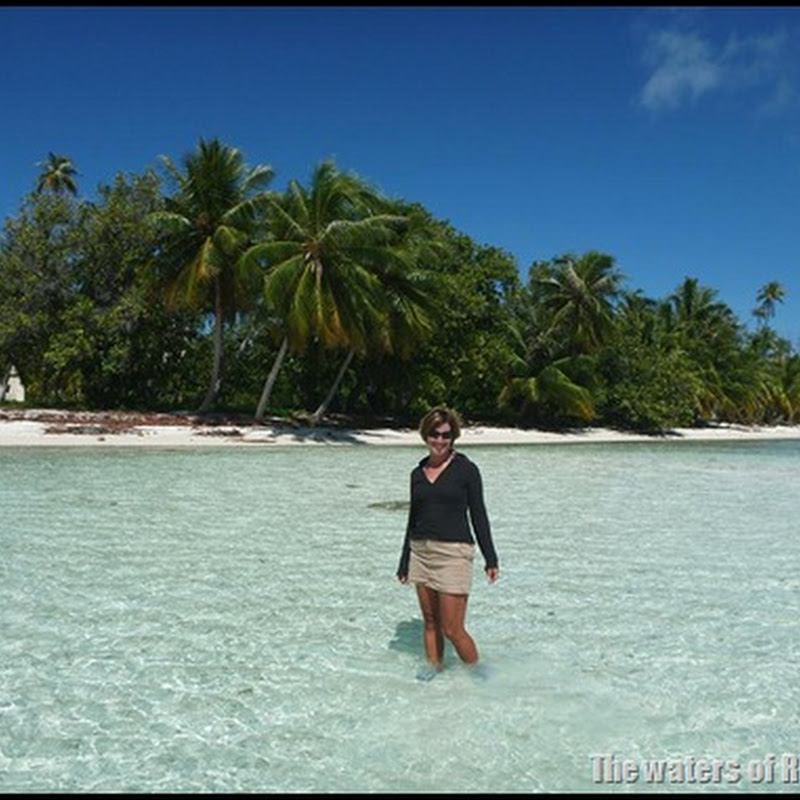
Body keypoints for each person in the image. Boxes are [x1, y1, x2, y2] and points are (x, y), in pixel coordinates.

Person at [396, 406, 499, 679]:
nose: (440, 441)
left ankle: (479, 673)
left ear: (453, 436)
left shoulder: (466, 470)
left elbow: (479, 514)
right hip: (420, 552)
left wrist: (491, 557)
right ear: (425, 436)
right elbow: (412, 518)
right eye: (434, 434)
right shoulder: (417, 473)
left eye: (446, 435)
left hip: (454, 553)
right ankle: (434, 666)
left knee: (453, 629)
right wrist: (404, 561)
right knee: (430, 621)